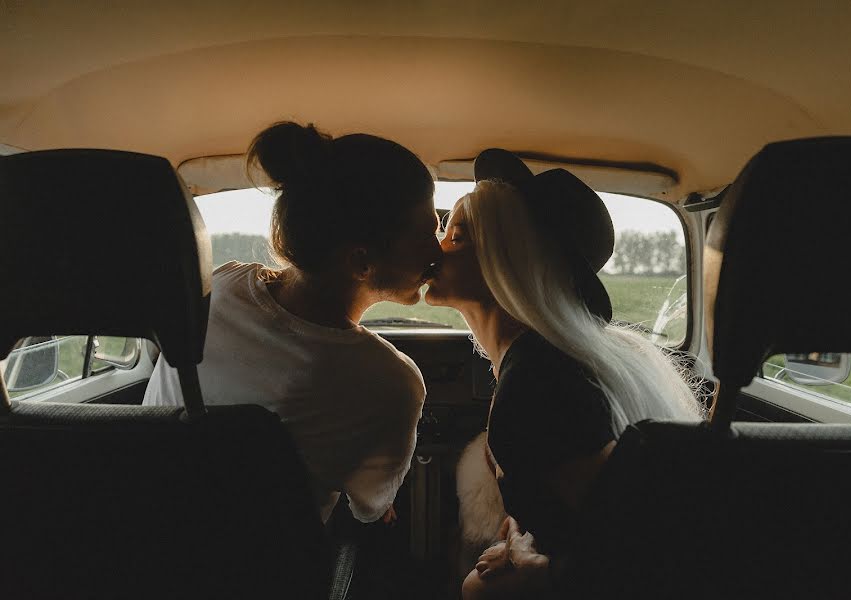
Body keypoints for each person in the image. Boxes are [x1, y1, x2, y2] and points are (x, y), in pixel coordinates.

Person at [425, 149, 705, 598]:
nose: (434, 247)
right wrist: (521, 534)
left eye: (455, 236)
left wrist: (546, 574)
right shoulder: (547, 360)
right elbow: (568, 502)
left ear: (506, 259)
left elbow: (639, 541)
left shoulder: (538, 384)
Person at [144, 121, 442, 525]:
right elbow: (369, 507)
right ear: (360, 262)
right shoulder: (393, 382)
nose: (438, 250)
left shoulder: (221, 285)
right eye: (427, 234)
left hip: (144, 528)